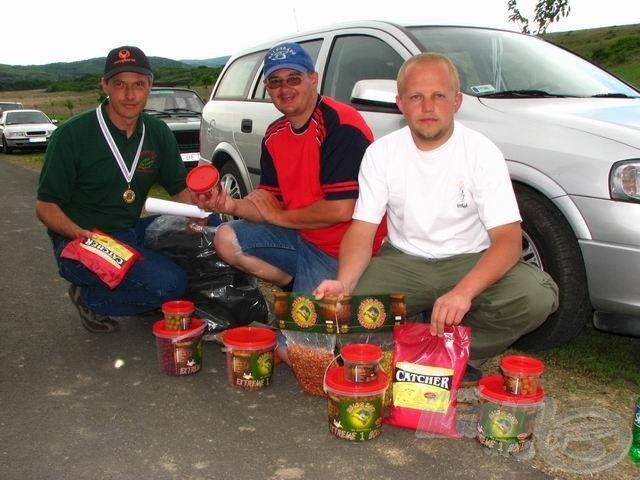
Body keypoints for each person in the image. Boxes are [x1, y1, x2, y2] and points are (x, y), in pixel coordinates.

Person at [314, 53, 559, 373]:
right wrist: (344, 284)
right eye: (416, 97)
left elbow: (508, 242)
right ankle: (412, 332)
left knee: (538, 296)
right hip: (404, 260)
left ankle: (460, 353)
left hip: (469, 258)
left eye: (439, 96)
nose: (428, 107)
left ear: (456, 101)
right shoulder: (381, 154)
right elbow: (361, 231)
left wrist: (462, 294)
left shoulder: (482, 152)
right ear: (400, 103)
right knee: (348, 313)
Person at [194, 42, 386, 293]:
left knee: (303, 333)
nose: (284, 88)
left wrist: (280, 217)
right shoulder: (274, 135)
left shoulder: (340, 124)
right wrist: (230, 205)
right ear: (267, 88)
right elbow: (267, 202)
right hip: (303, 238)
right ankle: (293, 284)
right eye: (275, 82)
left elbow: (341, 209)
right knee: (225, 237)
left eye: (294, 78)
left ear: (313, 79)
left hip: (345, 251)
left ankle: (316, 290)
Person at [36, 45, 193, 333]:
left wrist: (203, 210)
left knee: (213, 231)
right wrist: (76, 233)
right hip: (84, 241)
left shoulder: (157, 132)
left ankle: (142, 292)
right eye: (119, 84)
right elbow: (45, 206)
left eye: (138, 85)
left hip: (131, 232)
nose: (130, 95)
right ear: (105, 85)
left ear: (150, 87)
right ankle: (92, 299)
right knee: (171, 284)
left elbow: (180, 189)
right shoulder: (71, 134)